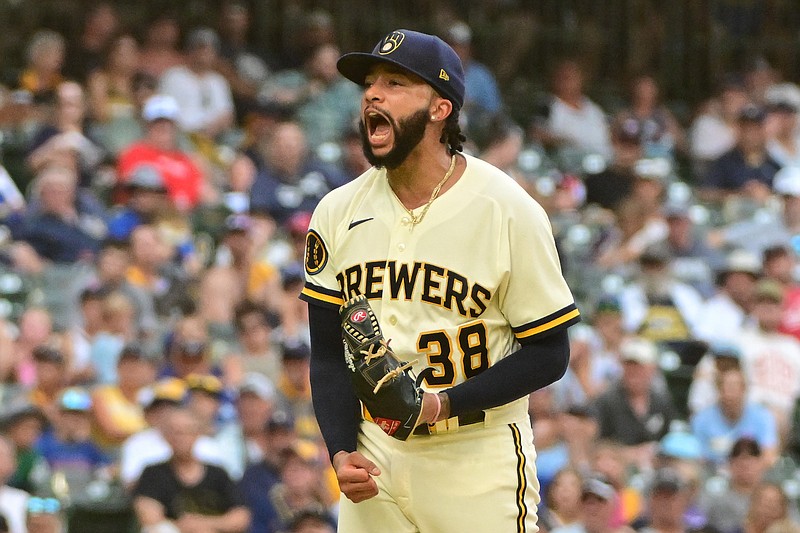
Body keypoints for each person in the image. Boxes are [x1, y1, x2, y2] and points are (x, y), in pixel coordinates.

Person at [301, 29, 579, 532]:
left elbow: (549, 354)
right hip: (375, 456)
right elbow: (326, 354)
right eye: (369, 83)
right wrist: (341, 449)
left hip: (476, 455)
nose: (371, 94)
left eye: (394, 82)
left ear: (439, 109)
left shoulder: (509, 210)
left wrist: (440, 404)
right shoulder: (337, 211)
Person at [132, 408, 251, 532]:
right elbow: (150, 517)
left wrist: (203, 525)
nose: (180, 438)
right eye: (174, 432)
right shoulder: (153, 474)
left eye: (186, 431)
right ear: (165, 436)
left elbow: (241, 517)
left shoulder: (218, 474)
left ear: (197, 433)